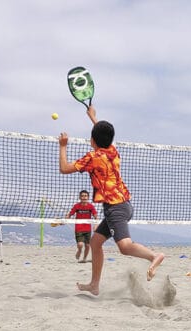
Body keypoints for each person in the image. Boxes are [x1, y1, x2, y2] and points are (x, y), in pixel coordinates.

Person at [57, 105, 164, 295]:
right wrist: (93, 117)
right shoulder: (112, 151)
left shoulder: (93, 157)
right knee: (96, 242)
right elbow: (104, 135)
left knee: (124, 247)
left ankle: (154, 256)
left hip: (116, 208)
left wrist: (63, 146)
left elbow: (64, 168)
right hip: (123, 205)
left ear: (92, 140)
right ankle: (94, 284)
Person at [67, 189, 98, 263]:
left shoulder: (91, 206)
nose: (84, 197)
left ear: (88, 197)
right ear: (80, 197)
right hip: (79, 228)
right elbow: (70, 214)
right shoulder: (76, 206)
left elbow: (95, 216)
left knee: (87, 246)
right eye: (82, 196)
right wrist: (65, 220)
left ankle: (84, 259)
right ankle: (79, 250)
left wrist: (96, 225)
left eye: (85, 196)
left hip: (87, 229)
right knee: (80, 244)